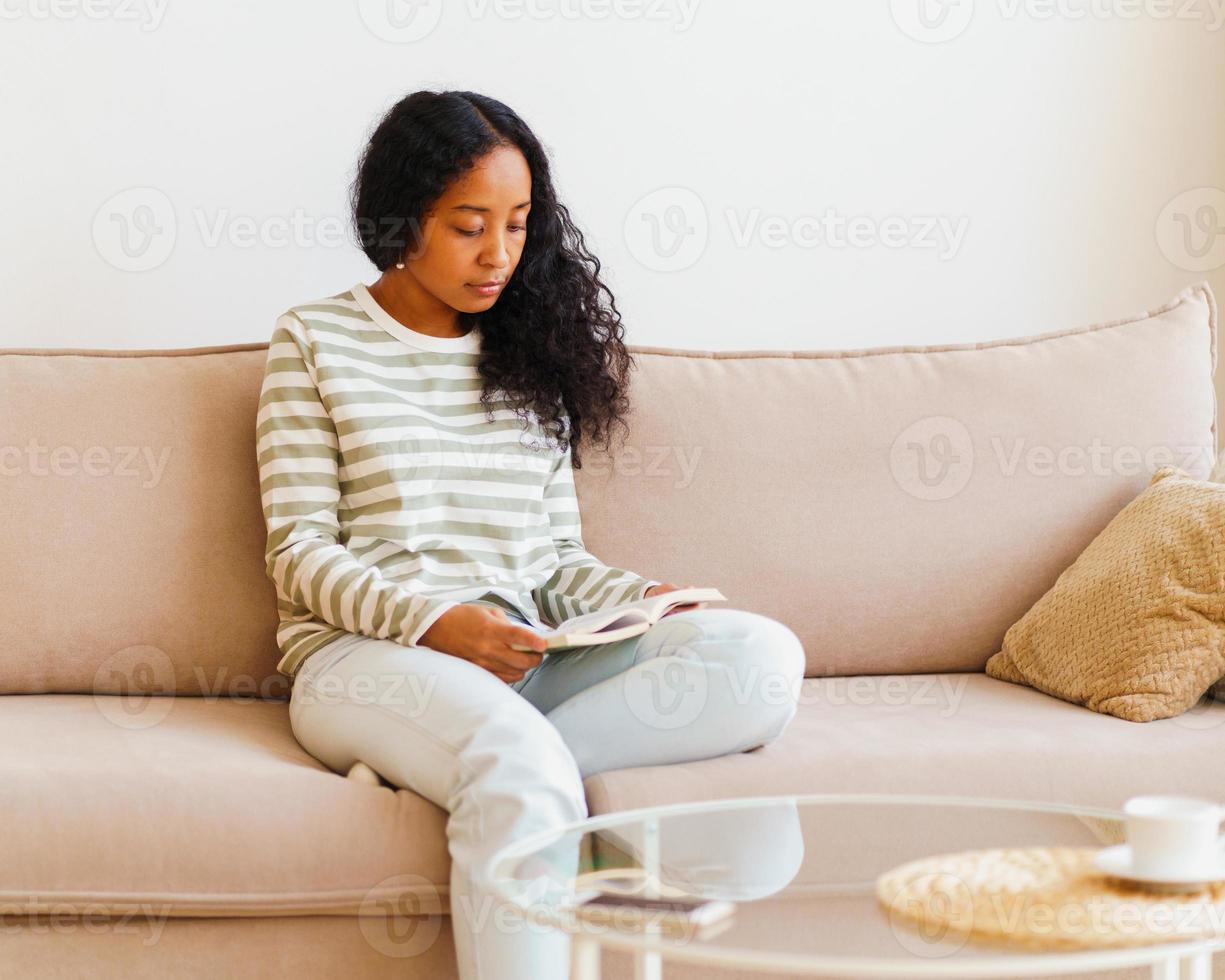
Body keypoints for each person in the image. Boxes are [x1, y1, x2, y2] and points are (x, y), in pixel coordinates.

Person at [256, 88, 805, 979]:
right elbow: (302, 552)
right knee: (513, 759)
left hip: (523, 657)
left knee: (758, 658)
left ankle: (487, 775)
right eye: (470, 225)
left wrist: (637, 600)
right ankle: (507, 775)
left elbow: (551, 560)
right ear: (404, 219)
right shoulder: (315, 340)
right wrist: (438, 624)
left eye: (517, 225)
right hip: (363, 660)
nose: (500, 255)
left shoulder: (529, 353)